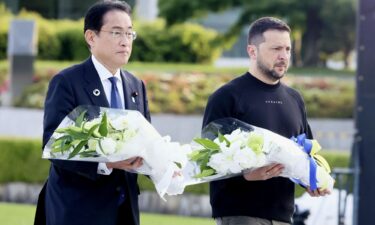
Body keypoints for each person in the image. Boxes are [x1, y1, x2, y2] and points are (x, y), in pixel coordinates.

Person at [202, 17, 329, 225]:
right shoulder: (226, 97)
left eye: (288, 49)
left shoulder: (295, 99)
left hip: (284, 216)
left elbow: (307, 154)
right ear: (252, 51)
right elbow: (206, 161)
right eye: (276, 49)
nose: (284, 56)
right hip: (240, 215)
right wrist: (246, 176)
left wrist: (313, 181)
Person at [34, 1, 150, 225]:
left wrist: (166, 165)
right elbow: (54, 145)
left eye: (129, 33)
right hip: (77, 210)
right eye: (116, 32)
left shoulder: (136, 86)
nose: (125, 41)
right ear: (91, 37)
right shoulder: (68, 82)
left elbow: (146, 141)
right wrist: (107, 163)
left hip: (124, 210)